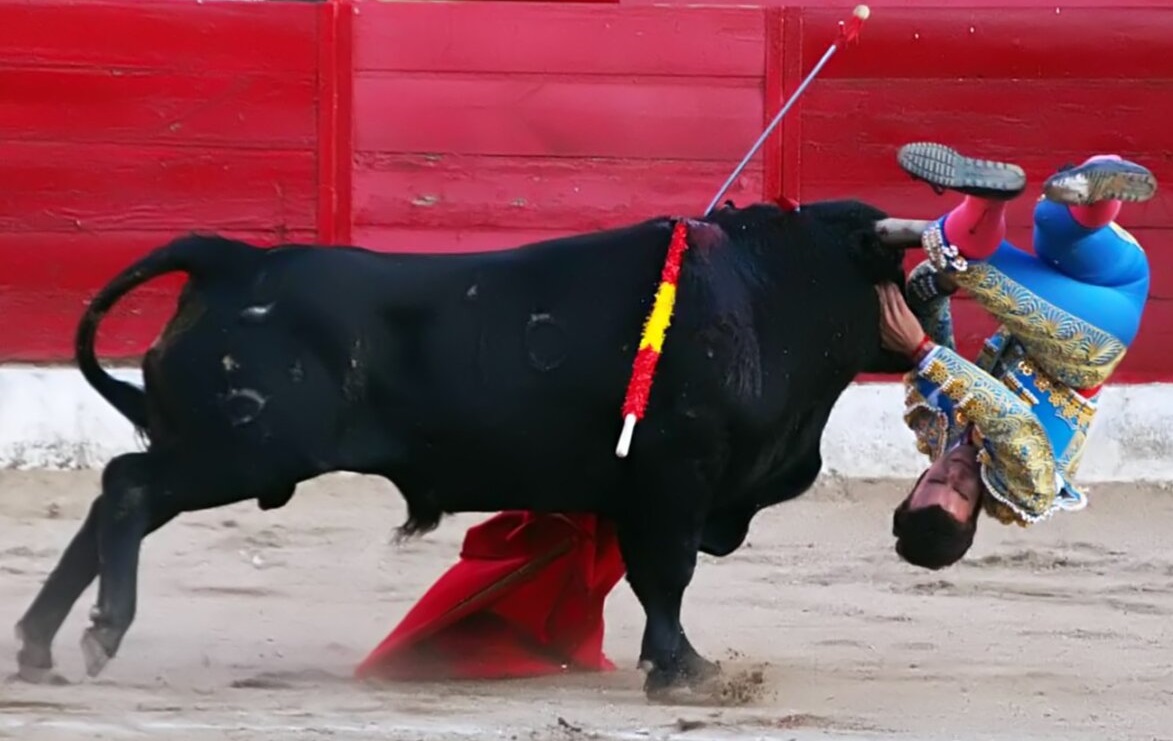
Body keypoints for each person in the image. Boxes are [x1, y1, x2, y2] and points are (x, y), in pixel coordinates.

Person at [878, 142, 1157, 570]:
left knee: (1057, 217)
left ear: (916, 483)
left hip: (1107, 283)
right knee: (961, 254)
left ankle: (1103, 177)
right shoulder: (1027, 490)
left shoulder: (935, 426)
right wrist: (921, 350)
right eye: (962, 491)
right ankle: (984, 198)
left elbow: (922, 307)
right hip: (1088, 342)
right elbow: (1008, 418)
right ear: (974, 513)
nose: (954, 472)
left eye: (937, 479)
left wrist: (936, 290)